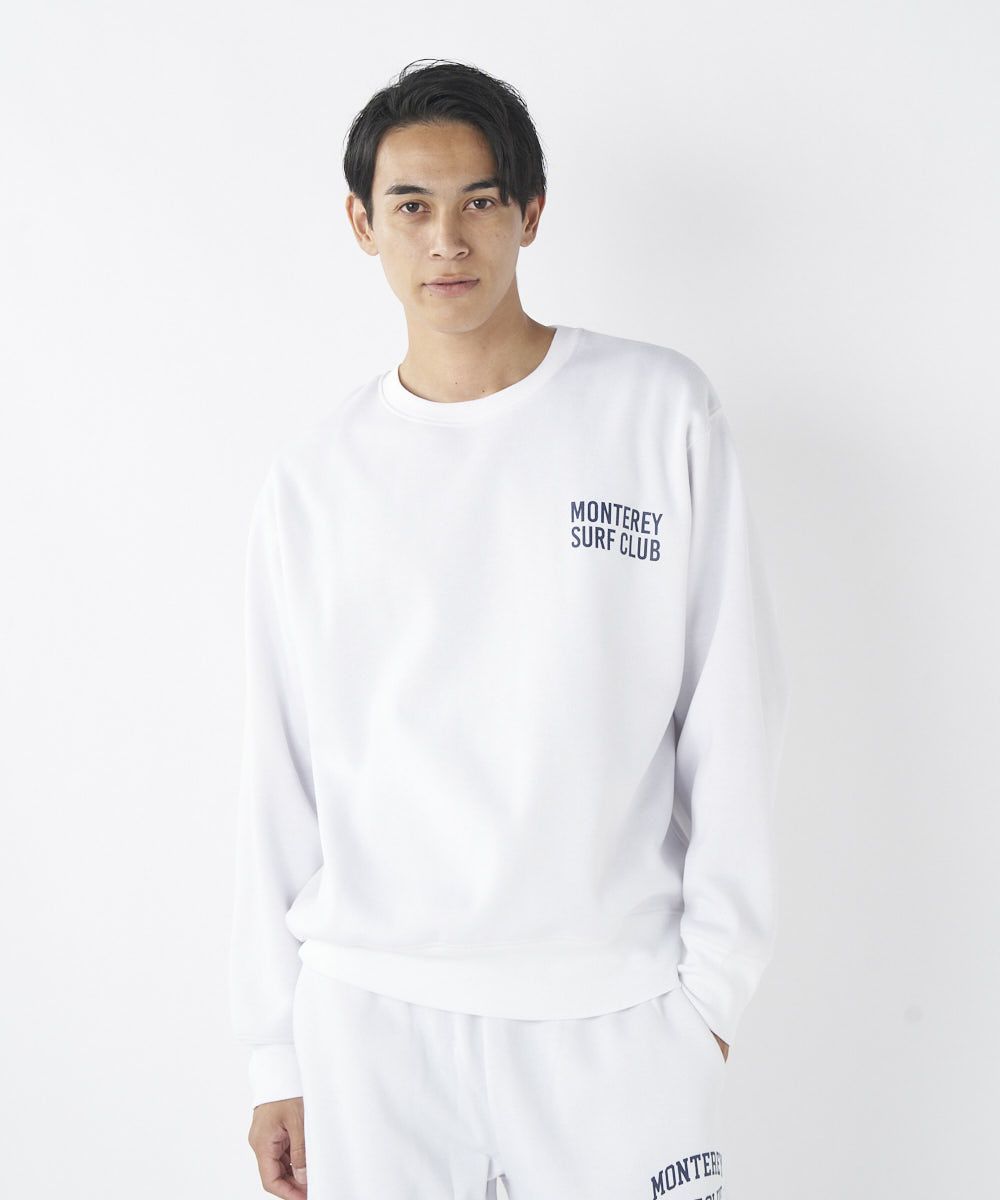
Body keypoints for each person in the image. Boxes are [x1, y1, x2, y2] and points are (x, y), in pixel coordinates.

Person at [229, 57, 790, 1200]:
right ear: (361, 224)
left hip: (616, 1013)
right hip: (372, 1018)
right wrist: (276, 1053)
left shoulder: (655, 412)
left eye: (479, 201)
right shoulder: (316, 481)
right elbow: (276, 771)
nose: (447, 240)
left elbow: (732, 708)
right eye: (411, 207)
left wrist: (712, 995)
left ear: (530, 212)